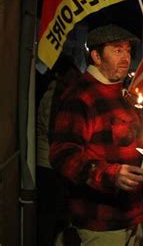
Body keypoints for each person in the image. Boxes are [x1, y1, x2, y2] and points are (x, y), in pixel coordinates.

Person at [50, 25, 143, 245]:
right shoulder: (81, 96)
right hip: (100, 224)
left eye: (128, 51)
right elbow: (63, 154)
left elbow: (135, 131)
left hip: (129, 216)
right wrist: (109, 174)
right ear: (96, 56)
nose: (126, 57)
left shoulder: (117, 93)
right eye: (117, 50)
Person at [37, 55, 81, 246]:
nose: (75, 78)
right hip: (49, 161)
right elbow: (55, 131)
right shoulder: (57, 96)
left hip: (46, 158)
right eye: (72, 74)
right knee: (52, 212)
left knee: (52, 210)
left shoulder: (54, 92)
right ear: (62, 76)